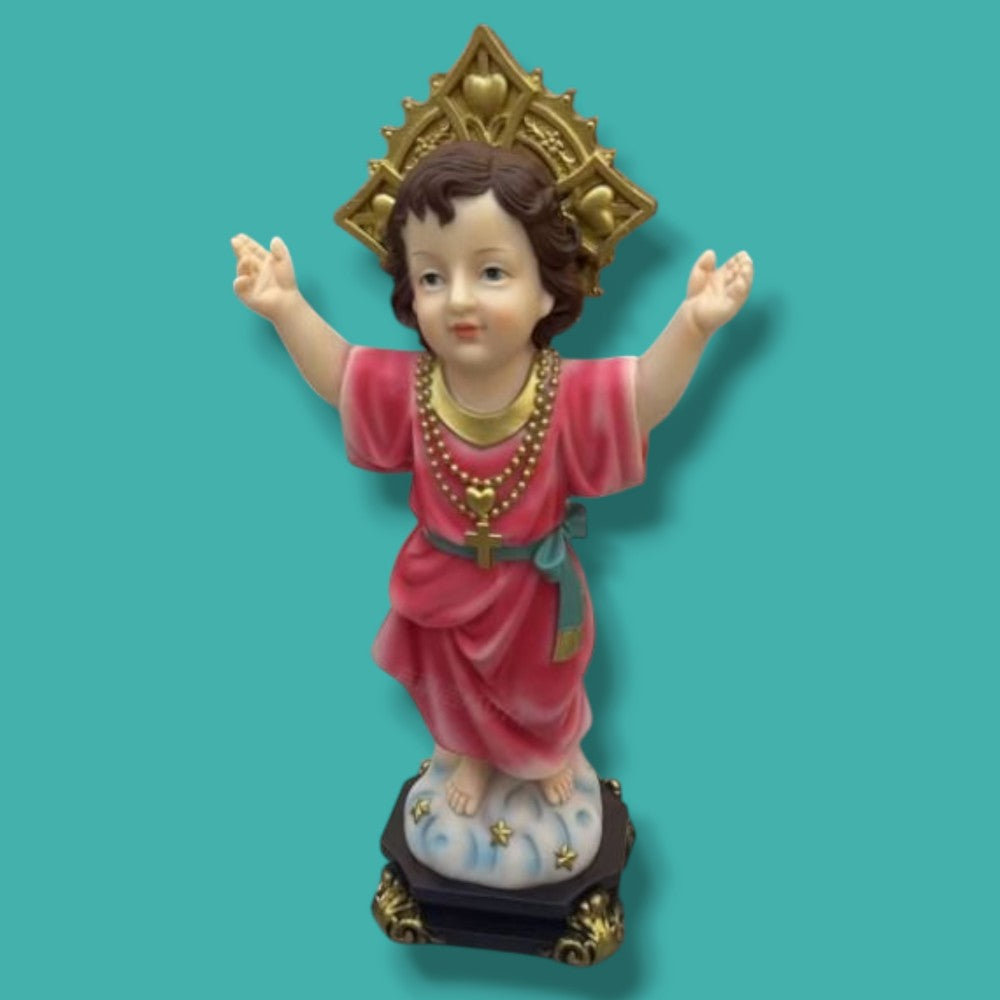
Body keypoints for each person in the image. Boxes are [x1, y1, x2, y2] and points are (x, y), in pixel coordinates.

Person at [231, 142, 753, 818]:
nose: (459, 300)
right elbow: (342, 376)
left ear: (547, 289)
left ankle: (548, 752)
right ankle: (470, 755)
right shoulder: (415, 390)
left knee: (543, 687)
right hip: (441, 583)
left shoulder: (562, 394)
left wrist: (692, 325)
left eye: (492, 272)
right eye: (431, 277)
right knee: (453, 691)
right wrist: (286, 308)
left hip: (532, 591)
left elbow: (639, 399)